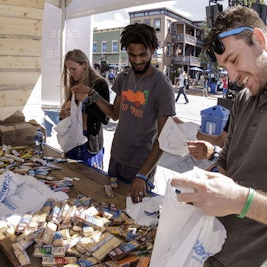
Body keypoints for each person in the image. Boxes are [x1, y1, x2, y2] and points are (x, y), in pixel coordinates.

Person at [172, 5, 267, 266]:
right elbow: (227, 159)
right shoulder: (242, 99)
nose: (233, 77)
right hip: (212, 248)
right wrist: (207, 185)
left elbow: (239, 197)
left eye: (234, 60)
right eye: (225, 67)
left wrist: (241, 201)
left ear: (259, 39)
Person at [72, 23, 176, 203]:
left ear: (152, 50)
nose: (137, 61)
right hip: (117, 157)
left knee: (134, 217)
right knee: (110, 207)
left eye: (143, 55)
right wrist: (92, 94)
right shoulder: (123, 78)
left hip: (140, 165)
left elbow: (164, 136)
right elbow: (114, 114)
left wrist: (143, 174)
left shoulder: (162, 85)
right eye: (132, 55)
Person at [59, 49, 110, 170]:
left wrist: (87, 101)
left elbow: (105, 118)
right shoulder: (73, 85)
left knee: (90, 180)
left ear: (84, 65)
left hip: (89, 143)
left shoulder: (99, 84)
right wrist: (63, 115)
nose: (71, 73)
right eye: (68, 70)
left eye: (74, 69)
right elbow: (66, 115)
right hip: (72, 141)